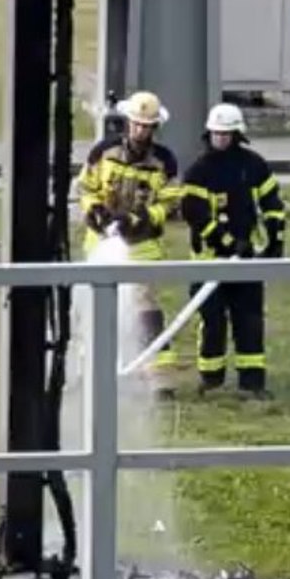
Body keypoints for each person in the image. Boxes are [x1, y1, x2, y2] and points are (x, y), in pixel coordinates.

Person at [75, 90, 181, 399]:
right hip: (103, 242)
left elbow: (171, 203)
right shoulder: (103, 152)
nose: (140, 131)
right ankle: (89, 372)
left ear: (154, 128)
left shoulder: (165, 162)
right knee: (94, 309)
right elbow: (85, 187)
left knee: (146, 312)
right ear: (127, 123)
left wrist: (142, 218)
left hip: (143, 248)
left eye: (146, 126)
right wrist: (93, 209)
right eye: (136, 124)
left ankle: (158, 377)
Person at [178, 103, 285, 400]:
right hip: (208, 263)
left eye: (226, 133)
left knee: (249, 320)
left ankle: (252, 383)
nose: (221, 138)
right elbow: (194, 213)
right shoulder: (199, 171)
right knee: (212, 322)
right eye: (216, 133)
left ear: (238, 134)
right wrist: (224, 242)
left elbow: (272, 202)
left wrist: (276, 239)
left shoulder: (253, 165)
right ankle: (211, 381)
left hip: (247, 261)